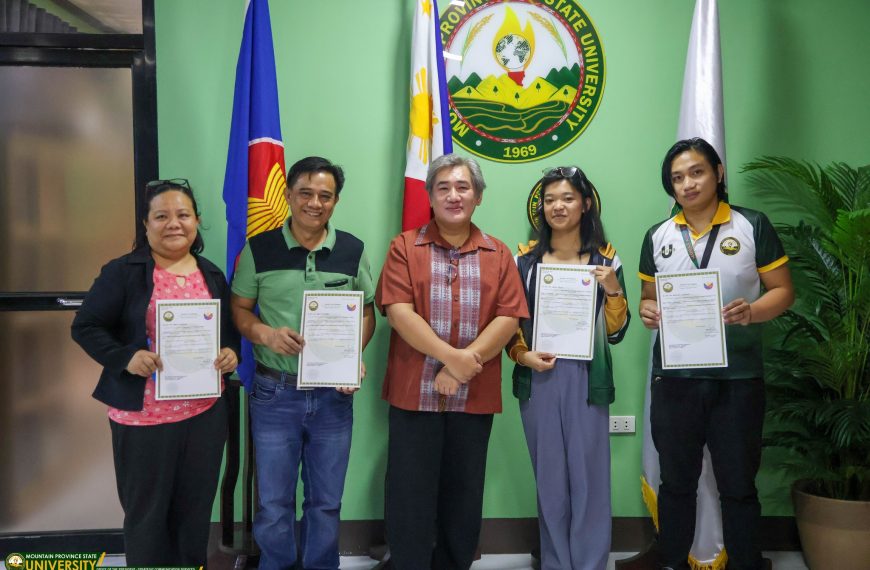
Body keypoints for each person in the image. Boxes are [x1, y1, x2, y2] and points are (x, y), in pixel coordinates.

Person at [638, 138, 794, 570]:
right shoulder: (658, 236)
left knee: (739, 484)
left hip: (738, 380)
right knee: (676, 484)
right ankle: (671, 560)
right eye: (677, 178)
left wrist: (751, 312)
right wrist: (647, 311)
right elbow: (648, 299)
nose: (687, 184)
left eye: (696, 172)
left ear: (718, 173)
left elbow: (783, 291)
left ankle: (745, 562)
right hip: (675, 380)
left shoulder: (751, 225)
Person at [71, 179, 240, 565]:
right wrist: (125, 357)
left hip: (204, 416)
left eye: (182, 214)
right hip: (143, 417)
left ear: (197, 220)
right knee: (147, 517)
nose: (173, 223)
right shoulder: (123, 272)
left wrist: (230, 354)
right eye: (161, 216)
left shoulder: (211, 274)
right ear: (145, 225)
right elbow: (86, 327)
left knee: (194, 516)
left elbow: (227, 334)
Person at [376, 153, 529, 570]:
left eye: (463, 187)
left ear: (478, 196)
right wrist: (451, 360)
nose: (453, 195)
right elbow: (398, 312)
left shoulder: (498, 253)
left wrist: (466, 364)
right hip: (414, 393)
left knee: (463, 494)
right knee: (409, 494)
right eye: (442, 187)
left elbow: (509, 315)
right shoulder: (404, 247)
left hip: (473, 396)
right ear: (429, 195)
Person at [230, 156, 376, 570]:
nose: (315, 203)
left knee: (326, 501)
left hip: (333, 395)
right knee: (274, 502)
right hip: (274, 392)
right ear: (289, 195)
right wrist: (265, 334)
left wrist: (353, 357)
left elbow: (367, 313)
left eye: (325, 196)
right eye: (306, 193)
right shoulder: (259, 248)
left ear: (335, 201)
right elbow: (239, 308)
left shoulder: (352, 249)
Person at [507, 166, 630, 570]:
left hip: (587, 380)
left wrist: (611, 289)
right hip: (538, 378)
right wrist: (522, 356)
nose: (558, 206)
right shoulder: (522, 261)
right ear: (540, 208)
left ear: (586, 203)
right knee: (551, 483)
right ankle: (556, 562)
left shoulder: (606, 261)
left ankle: (591, 563)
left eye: (568, 198)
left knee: (589, 479)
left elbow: (616, 333)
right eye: (550, 199)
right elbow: (508, 324)